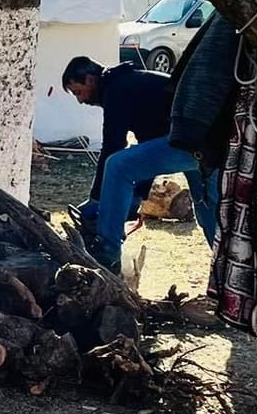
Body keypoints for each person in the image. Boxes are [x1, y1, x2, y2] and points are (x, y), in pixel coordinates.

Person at [63, 52, 220, 270]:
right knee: (207, 209)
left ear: (90, 79)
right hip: (207, 142)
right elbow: (150, 142)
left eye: (79, 92)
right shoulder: (132, 82)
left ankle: (107, 253)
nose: (81, 100)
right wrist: (138, 194)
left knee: (117, 165)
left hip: (193, 142)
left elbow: (113, 145)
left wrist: (96, 199)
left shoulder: (116, 90)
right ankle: (228, 269)